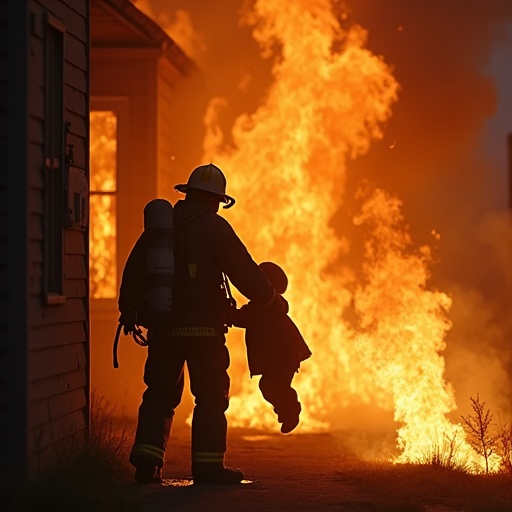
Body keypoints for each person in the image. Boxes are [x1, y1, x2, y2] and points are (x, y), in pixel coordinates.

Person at [118, 163, 286, 485]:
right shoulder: (215, 227)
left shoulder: (160, 228)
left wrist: (129, 310)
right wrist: (271, 299)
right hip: (205, 332)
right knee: (210, 397)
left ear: (188, 193)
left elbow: (134, 270)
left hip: (164, 328)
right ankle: (209, 468)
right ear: (218, 200)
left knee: (159, 393)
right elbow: (245, 272)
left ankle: (147, 463)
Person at [229, 261, 311, 434]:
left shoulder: (264, 306)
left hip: (283, 357)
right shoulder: (268, 305)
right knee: (269, 386)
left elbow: (243, 318)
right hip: (284, 357)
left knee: (271, 386)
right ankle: (287, 412)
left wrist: (225, 312)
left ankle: (290, 411)